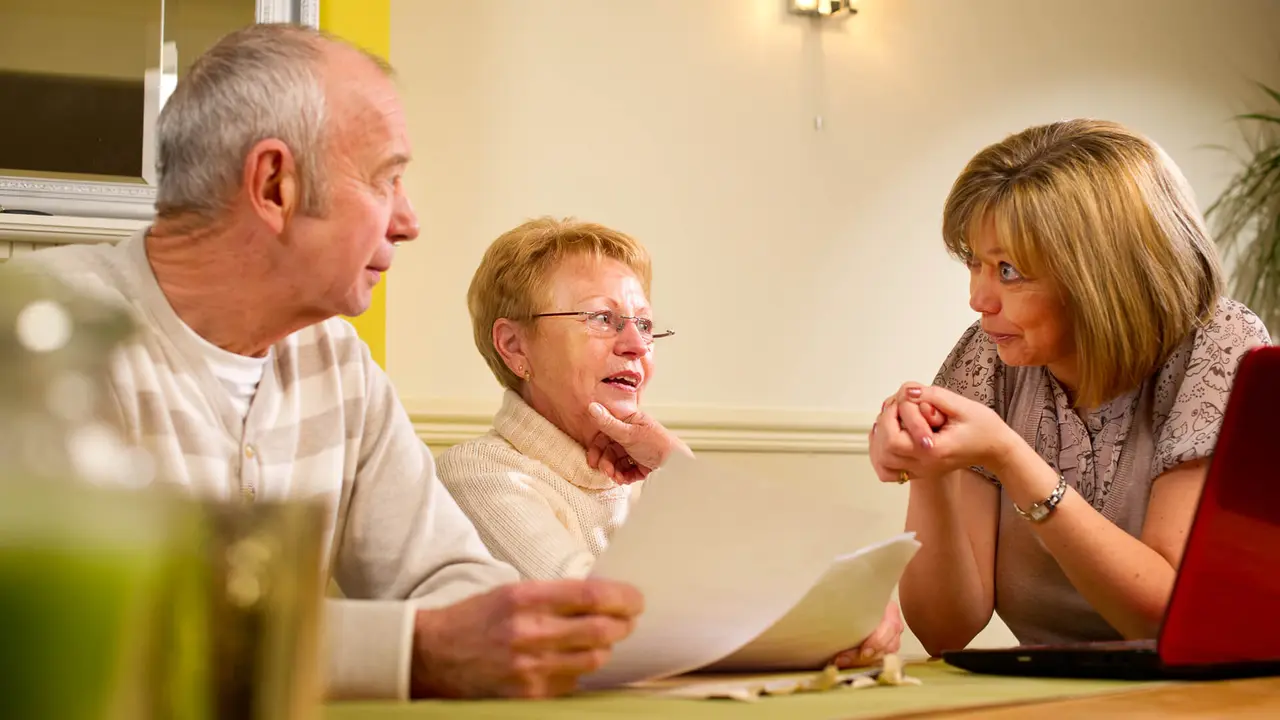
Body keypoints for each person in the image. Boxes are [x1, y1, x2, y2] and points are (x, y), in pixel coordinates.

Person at [8, 24, 642, 701]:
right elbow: (71, 627)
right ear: (275, 184)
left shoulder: (336, 362)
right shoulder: (37, 332)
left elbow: (450, 577)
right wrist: (414, 650)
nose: (408, 221)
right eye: (386, 180)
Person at [871, 119, 1271, 654]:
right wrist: (930, 470)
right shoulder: (991, 353)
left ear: (1101, 276)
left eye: (1008, 270)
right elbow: (945, 630)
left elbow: (1167, 619)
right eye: (975, 263)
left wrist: (1011, 459)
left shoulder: (1218, 344)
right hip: (1052, 690)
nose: (978, 299)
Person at [439, 216, 905, 667]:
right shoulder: (478, 475)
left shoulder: (651, 473)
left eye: (644, 324)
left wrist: (846, 603)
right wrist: (824, 615)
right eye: (602, 318)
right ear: (515, 346)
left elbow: (749, 583)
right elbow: (602, 618)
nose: (636, 345)